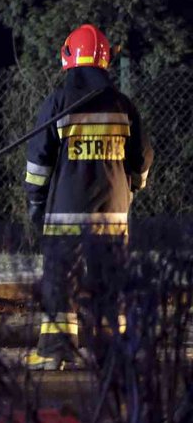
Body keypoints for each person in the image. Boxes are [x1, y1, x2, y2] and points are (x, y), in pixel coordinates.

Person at [23, 24, 154, 371]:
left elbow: (38, 162)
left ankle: (55, 352)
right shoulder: (123, 106)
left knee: (59, 283)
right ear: (105, 60)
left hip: (65, 216)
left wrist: (36, 203)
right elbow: (141, 158)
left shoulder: (57, 103)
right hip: (112, 217)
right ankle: (112, 354)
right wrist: (133, 187)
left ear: (68, 57)